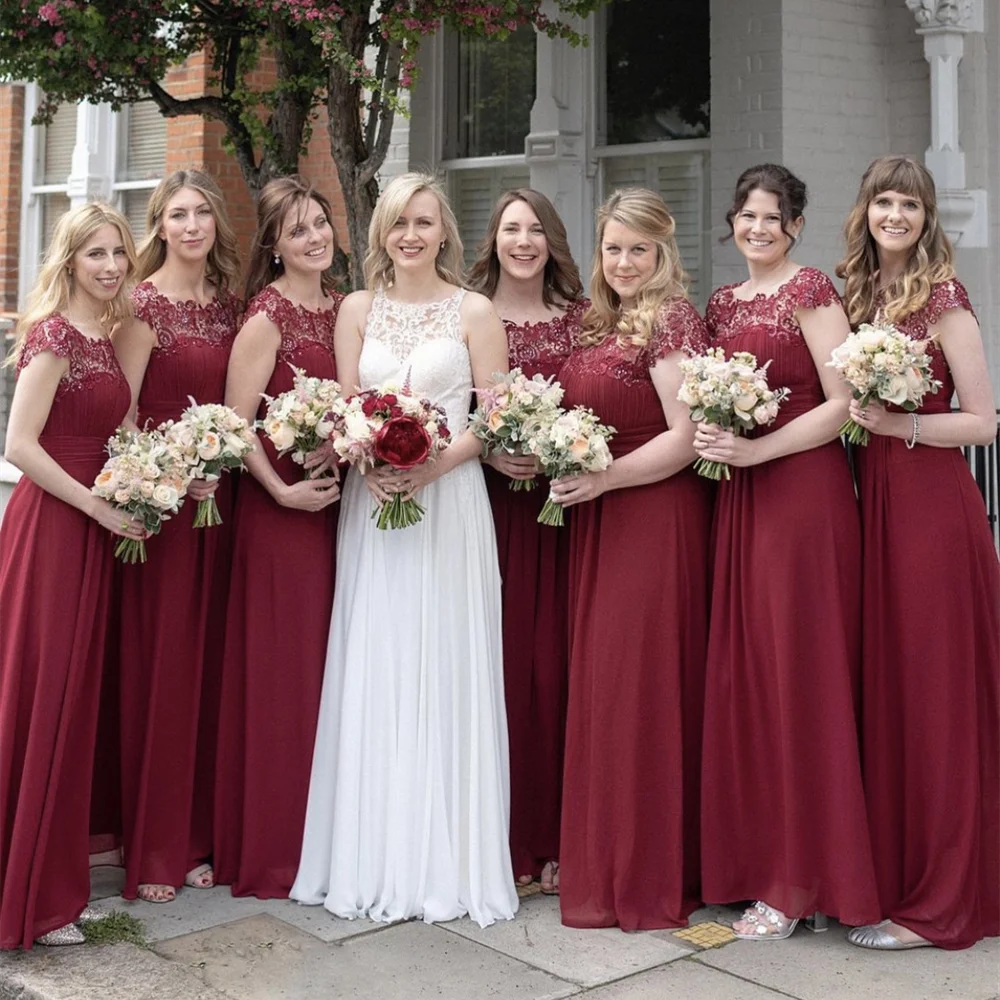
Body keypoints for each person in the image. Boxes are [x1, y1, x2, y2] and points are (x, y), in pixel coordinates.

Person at [290, 172, 518, 928]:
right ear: (382, 232)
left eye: (424, 221)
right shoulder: (357, 309)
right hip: (375, 500)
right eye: (398, 223)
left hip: (448, 503)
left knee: (446, 661)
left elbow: (495, 417)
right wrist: (369, 459)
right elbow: (346, 405)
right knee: (381, 660)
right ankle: (372, 854)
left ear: (445, 231)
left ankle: (447, 862)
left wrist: (430, 467)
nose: (411, 235)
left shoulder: (476, 311)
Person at [695, 164, 880, 940]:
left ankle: (802, 878)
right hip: (739, 501)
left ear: (796, 225)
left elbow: (846, 404)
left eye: (773, 217)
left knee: (798, 679)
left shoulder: (811, 292)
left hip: (802, 500)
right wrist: (716, 438)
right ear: (733, 222)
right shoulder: (720, 303)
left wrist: (756, 449)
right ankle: (752, 863)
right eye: (747, 215)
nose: (759, 228)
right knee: (748, 675)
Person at [837, 156, 1000, 951]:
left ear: (927, 215)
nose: (893, 215)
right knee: (891, 697)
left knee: (935, 702)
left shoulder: (945, 300)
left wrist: (897, 424)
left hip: (932, 515)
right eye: (882, 201)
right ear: (863, 211)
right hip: (872, 517)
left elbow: (982, 421)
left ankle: (942, 901)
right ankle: (894, 875)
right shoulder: (855, 297)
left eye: (908, 203)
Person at [551, 188, 712, 930]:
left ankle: (645, 871)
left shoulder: (672, 317)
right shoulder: (598, 319)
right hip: (601, 519)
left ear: (662, 252)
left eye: (637, 249)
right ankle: (607, 862)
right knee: (606, 689)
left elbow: (686, 436)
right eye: (612, 247)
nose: (622, 262)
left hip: (652, 518)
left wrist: (605, 475)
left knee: (638, 688)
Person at [0, 203, 145, 948]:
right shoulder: (54, 334)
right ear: (69, 261)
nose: (111, 265)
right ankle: (27, 889)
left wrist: (152, 476)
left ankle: (58, 881)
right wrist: (96, 504)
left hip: (97, 525)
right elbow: (20, 445)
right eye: (95, 254)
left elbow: (114, 431)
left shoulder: (110, 335)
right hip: (55, 528)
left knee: (77, 700)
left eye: (118, 252)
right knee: (43, 694)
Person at [111, 169, 242, 903]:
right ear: (159, 225)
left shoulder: (229, 308)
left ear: (217, 223)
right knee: (165, 669)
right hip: (165, 516)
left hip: (225, 509)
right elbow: (123, 415)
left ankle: (202, 835)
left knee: (212, 669)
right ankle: (156, 845)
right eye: (177, 214)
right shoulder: (140, 306)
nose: (191, 226)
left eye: (201, 214)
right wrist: (169, 476)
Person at [213, 177, 343, 899]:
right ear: (274, 244)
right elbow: (236, 423)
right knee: (285, 677)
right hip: (282, 517)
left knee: (329, 675)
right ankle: (274, 849)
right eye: (297, 230)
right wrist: (281, 490)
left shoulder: (343, 308)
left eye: (320, 223)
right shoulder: (267, 316)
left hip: (338, 512)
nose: (314, 238)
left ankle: (326, 837)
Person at [466, 188, 586, 894]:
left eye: (537, 229)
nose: (523, 241)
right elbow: (450, 409)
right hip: (489, 513)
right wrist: (488, 455)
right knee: (497, 668)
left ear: (553, 241)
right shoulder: (468, 314)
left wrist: (565, 452)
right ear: (494, 239)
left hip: (563, 513)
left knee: (557, 671)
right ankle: (499, 842)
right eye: (511, 228)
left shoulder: (581, 322)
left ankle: (557, 837)